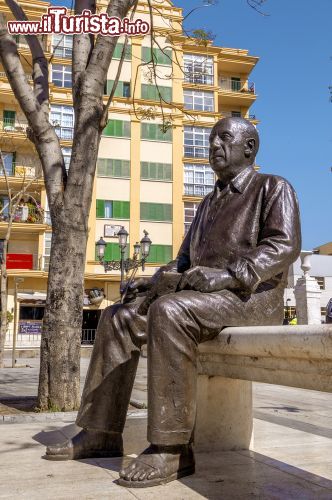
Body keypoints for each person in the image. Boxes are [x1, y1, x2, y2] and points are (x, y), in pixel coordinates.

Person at [45, 117, 301, 488]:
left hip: (252, 298)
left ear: (249, 148)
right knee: (119, 316)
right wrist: (151, 284)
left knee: (170, 311)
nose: (214, 145)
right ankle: (100, 431)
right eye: (212, 139)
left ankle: (173, 447)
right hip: (205, 297)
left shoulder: (272, 188)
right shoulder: (208, 203)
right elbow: (182, 262)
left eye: (224, 139)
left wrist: (227, 276)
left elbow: (283, 246)